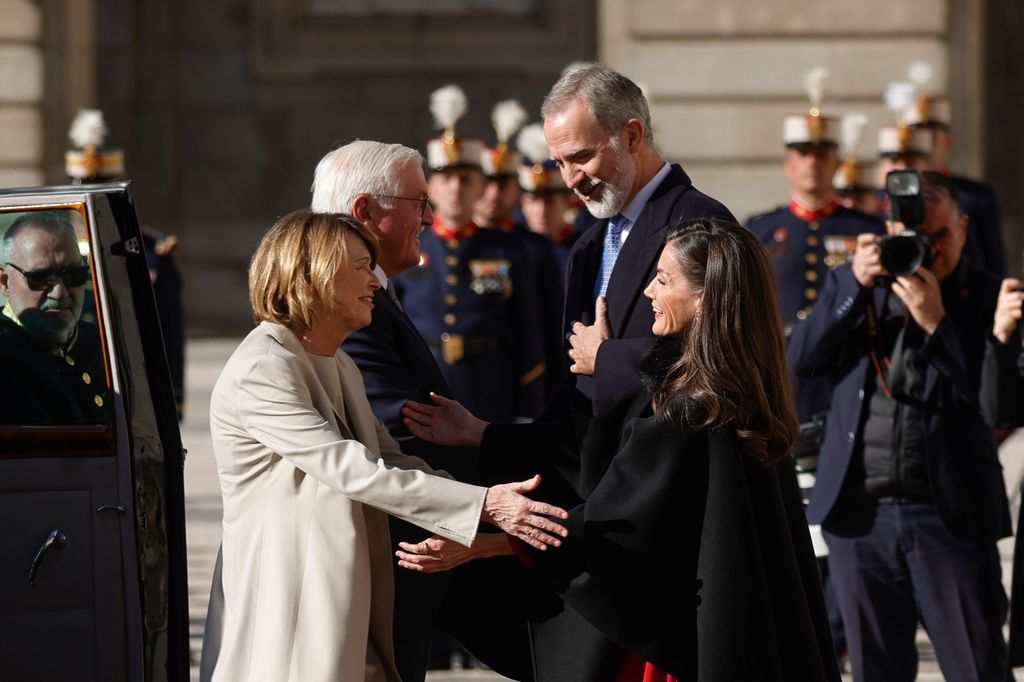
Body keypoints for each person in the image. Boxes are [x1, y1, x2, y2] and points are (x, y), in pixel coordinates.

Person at [398, 218, 841, 681]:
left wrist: (481, 546)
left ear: (705, 297)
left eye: (664, 279)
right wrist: (485, 434)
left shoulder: (689, 408)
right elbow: (598, 452)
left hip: (675, 651)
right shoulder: (745, 392)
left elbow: (612, 531)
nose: (649, 290)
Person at [205, 209, 568, 682]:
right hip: (287, 592)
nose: (375, 280)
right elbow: (353, 470)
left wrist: (487, 507)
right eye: (359, 266)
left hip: (342, 588)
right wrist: (485, 504)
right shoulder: (265, 367)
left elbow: (393, 459)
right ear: (309, 274)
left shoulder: (336, 363)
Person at [309, 140, 534, 680]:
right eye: (418, 202)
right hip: (391, 558)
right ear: (366, 212)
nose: (431, 217)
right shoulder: (343, 307)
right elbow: (401, 435)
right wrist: (492, 507)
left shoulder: (377, 295)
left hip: (414, 551)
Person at [787, 171, 1012, 681]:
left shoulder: (988, 295)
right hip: (859, 519)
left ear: (963, 227)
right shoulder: (858, 285)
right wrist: (851, 286)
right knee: (875, 671)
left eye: (940, 237)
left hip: (948, 518)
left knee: (976, 669)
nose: (927, 250)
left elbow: (995, 407)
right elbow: (798, 363)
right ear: (889, 230)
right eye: (914, 237)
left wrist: (937, 323)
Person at [746, 69, 884, 664]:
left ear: (836, 160)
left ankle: (835, 635)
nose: (812, 163)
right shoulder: (761, 229)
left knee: (836, 522)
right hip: (779, 389)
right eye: (802, 152)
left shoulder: (865, 232)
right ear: (789, 162)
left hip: (840, 390)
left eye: (823, 153)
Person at [541, 62, 734, 417]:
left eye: (581, 157)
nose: (569, 180)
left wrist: (607, 359)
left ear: (631, 136)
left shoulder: (703, 224)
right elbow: (575, 390)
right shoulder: (588, 246)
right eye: (559, 163)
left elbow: (722, 357)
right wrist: (486, 436)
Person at [395, 84, 547, 422]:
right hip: (426, 386)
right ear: (430, 188)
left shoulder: (507, 249)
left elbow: (528, 330)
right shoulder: (410, 246)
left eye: (466, 179)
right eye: (446, 179)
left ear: (481, 185)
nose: (456, 189)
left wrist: (527, 407)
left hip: (489, 390)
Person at [65, 107, 186, 419]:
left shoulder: (152, 253)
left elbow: (168, 329)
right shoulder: (49, 247)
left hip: (132, 382)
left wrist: (171, 398)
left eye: (102, 192)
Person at [0, 211, 109, 425]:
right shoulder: (4, 350)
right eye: (39, 278)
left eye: (74, 275)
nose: (59, 293)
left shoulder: (106, 344)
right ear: (5, 282)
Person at [901, 61, 1007, 277]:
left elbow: (993, 263)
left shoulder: (976, 196)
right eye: (917, 133)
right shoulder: (888, 196)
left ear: (947, 140)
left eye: (932, 135)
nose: (924, 142)